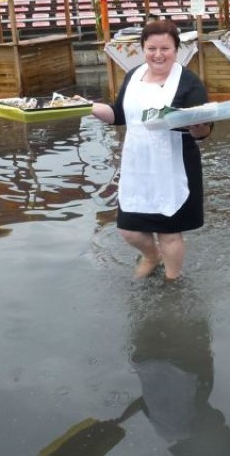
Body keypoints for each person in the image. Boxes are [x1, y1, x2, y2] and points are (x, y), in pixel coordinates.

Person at [88, 20, 212, 281]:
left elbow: (204, 131)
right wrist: (86, 107)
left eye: (165, 48)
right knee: (129, 230)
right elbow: (119, 114)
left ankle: (172, 278)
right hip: (138, 165)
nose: (158, 54)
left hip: (173, 166)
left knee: (169, 232)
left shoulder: (188, 83)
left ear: (176, 50)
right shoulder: (134, 76)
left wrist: (198, 126)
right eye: (151, 48)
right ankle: (151, 256)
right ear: (143, 48)